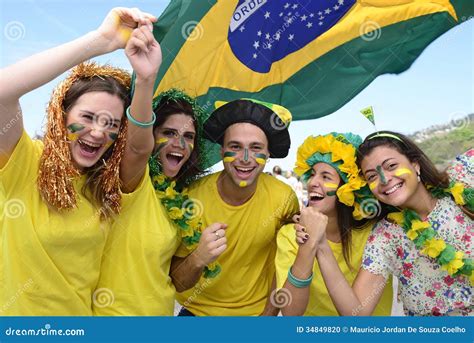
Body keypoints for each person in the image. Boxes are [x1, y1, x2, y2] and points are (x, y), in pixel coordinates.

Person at [0, 7, 155, 315]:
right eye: (87, 117)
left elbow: (139, 149)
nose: (98, 132)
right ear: (61, 114)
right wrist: (101, 40)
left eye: (112, 124)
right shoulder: (25, 161)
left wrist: (146, 78)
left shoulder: (106, 185)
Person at [93, 26, 225, 315]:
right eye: (169, 132)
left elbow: (177, 282)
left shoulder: (181, 199)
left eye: (188, 136)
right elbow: (137, 148)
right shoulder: (130, 181)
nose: (179, 143)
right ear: (151, 136)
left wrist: (200, 256)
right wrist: (145, 79)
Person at [303, 131, 473, 316]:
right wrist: (320, 244)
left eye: (391, 166)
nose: (384, 180)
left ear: (415, 165)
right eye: (372, 177)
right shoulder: (386, 236)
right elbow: (356, 314)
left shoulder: (463, 177)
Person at [171, 99, 300, 316]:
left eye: (256, 148)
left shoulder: (284, 198)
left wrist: (267, 317)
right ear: (222, 151)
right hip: (195, 313)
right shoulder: (191, 196)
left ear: (267, 156)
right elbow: (177, 282)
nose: (246, 158)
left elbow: (283, 265)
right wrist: (199, 257)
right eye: (235, 147)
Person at [276, 133, 393, 316]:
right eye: (312, 174)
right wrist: (308, 245)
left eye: (326, 177)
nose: (313, 182)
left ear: (350, 187)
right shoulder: (290, 234)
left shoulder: (377, 232)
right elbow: (291, 312)